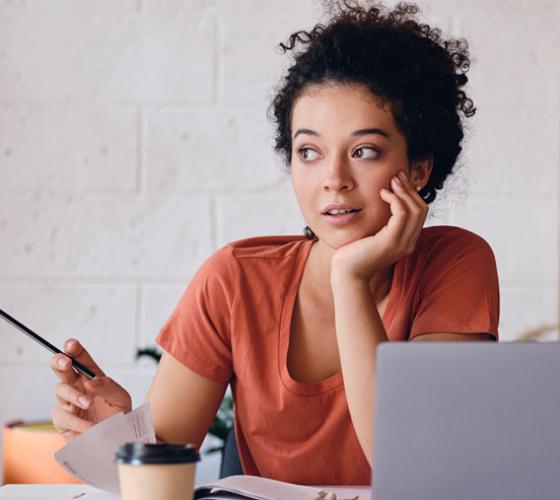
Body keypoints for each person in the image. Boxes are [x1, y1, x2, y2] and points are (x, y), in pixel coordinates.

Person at [50, 1, 499, 486]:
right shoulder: (236, 278)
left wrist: (349, 276)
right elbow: (155, 475)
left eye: (364, 151)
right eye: (309, 151)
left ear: (418, 169)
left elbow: (411, 466)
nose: (334, 179)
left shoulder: (456, 263)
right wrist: (114, 439)